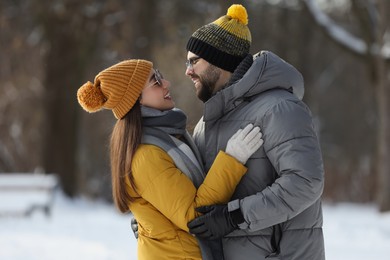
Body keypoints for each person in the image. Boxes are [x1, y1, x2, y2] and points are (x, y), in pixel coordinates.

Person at [76, 59, 263, 260]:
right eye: (155, 81)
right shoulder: (147, 155)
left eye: (159, 76)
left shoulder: (167, 136)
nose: (166, 83)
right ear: (136, 99)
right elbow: (195, 216)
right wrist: (232, 160)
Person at [185, 4, 325, 260]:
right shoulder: (208, 122)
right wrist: (157, 217)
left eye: (194, 61)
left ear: (220, 60)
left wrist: (234, 217)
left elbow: (306, 182)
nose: (188, 71)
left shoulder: (280, 108)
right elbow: (200, 193)